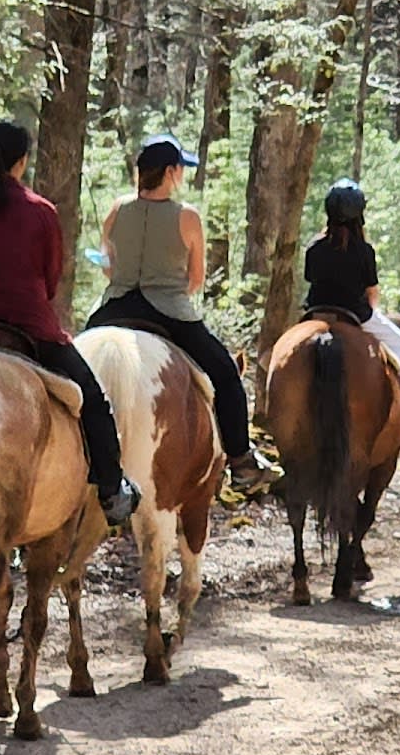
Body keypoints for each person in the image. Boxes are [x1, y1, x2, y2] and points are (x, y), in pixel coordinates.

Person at [0, 121, 139, 525]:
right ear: (23, 161)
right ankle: (112, 490)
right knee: (93, 400)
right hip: (28, 326)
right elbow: (49, 279)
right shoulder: (41, 212)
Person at [85, 134, 278, 491]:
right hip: (168, 311)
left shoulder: (116, 209)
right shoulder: (187, 217)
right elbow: (196, 279)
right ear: (171, 172)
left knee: (72, 370)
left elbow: (108, 268)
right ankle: (241, 461)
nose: (182, 177)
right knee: (226, 375)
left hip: (114, 306)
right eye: (181, 170)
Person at [303, 179, 400, 434]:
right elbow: (372, 293)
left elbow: (311, 279)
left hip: (315, 313)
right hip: (356, 315)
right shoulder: (364, 250)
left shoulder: (315, 247)